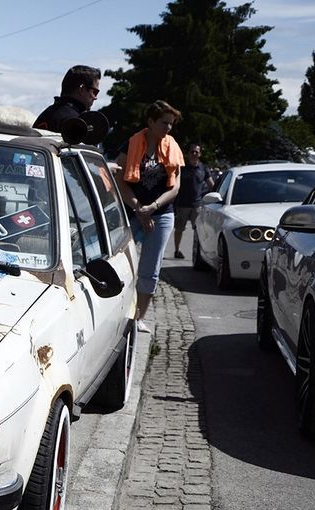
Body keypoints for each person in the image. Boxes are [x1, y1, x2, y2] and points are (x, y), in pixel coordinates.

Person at [114, 100, 184, 334]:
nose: (168, 128)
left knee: (150, 269)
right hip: (132, 211)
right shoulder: (132, 144)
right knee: (121, 263)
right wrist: (137, 208)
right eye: (164, 123)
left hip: (161, 213)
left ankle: (138, 317)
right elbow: (119, 180)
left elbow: (174, 188)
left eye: (171, 124)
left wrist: (152, 207)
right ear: (151, 122)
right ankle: (118, 311)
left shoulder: (172, 147)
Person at [172, 143, 215, 258]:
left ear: (200, 154)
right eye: (192, 151)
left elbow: (211, 185)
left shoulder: (203, 168)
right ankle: (177, 250)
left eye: (196, 152)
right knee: (179, 229)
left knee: (199, 231)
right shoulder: (182, 167)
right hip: (182, 204)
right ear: (188, 153)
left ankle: (199, 253)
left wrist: (214, 197)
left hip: (197, 205)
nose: (194, 154)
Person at [34, 65, 102, 132]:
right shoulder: (78, 123)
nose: (95, 98)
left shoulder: (45, 115)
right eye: (95, 92)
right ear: (82, 89)